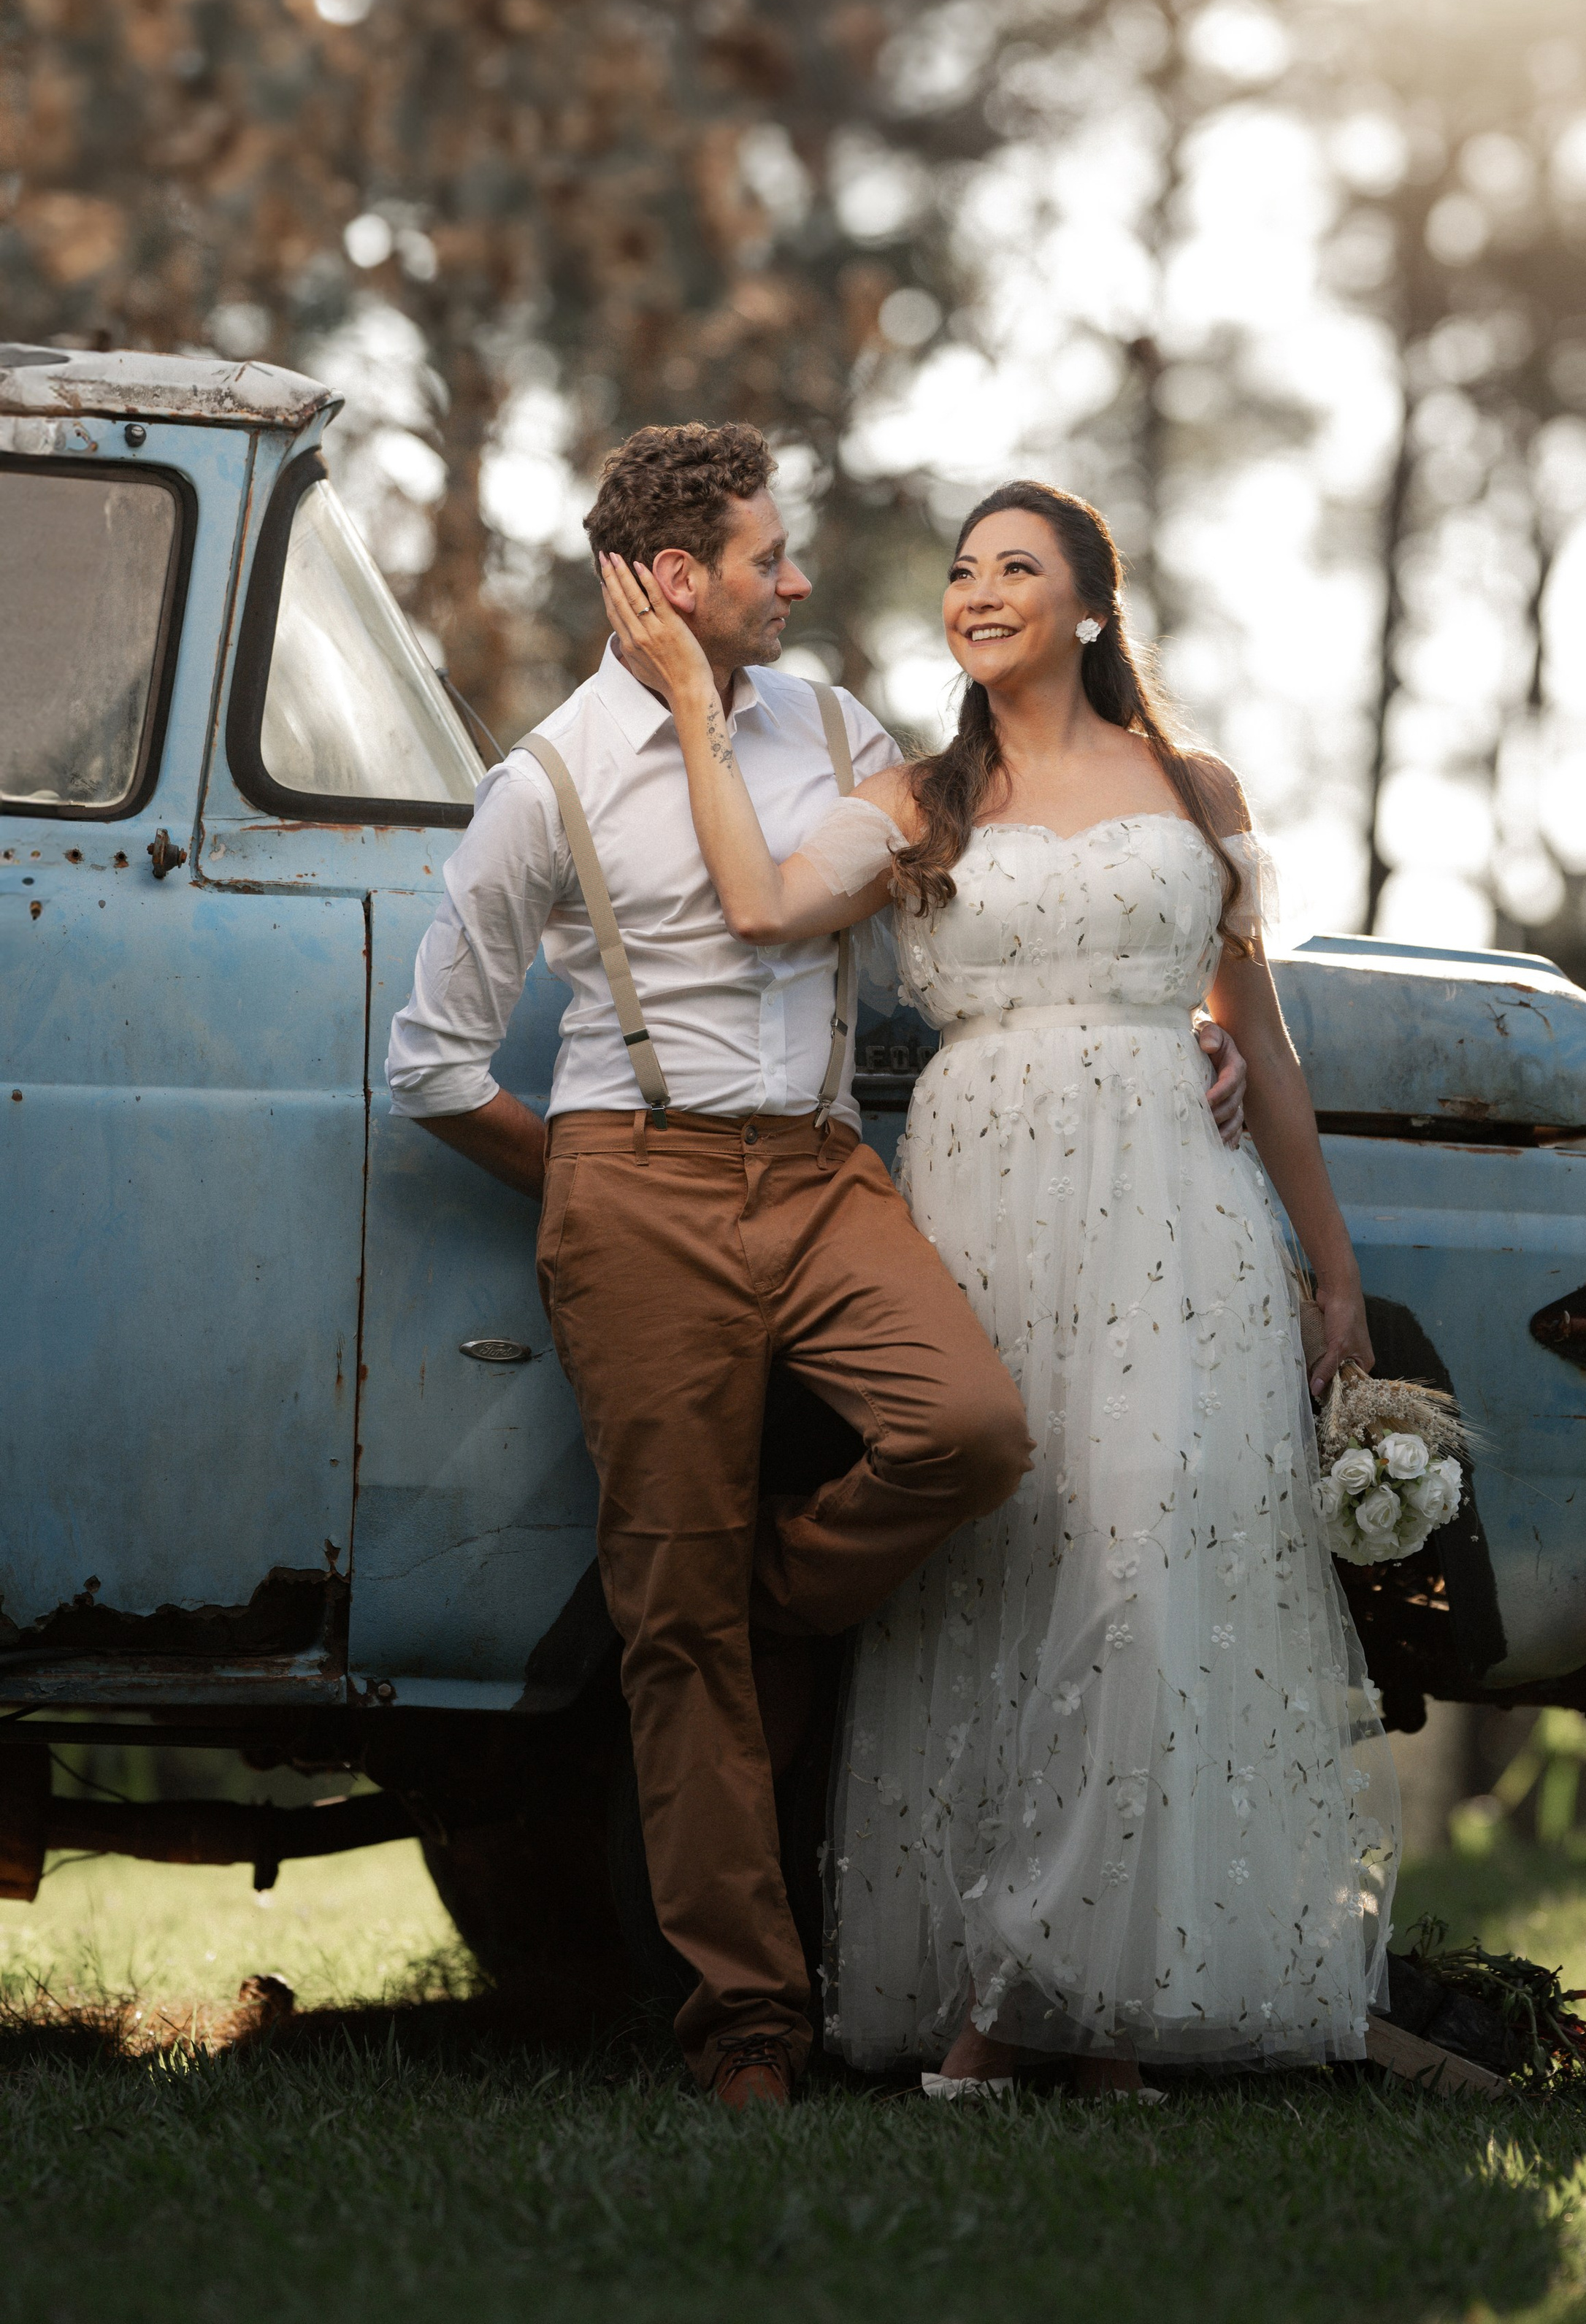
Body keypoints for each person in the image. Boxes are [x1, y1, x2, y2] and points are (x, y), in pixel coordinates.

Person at [384, 425, 1251, 2109]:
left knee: (968, 1434)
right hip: (637, 1186)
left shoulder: (844, 730)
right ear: (672, 583)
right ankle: (748, 2032)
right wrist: (596, 1186)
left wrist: (1186, 1032)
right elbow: (429, 1061)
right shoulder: (543, 782)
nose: (800, 581)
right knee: (667, 1635)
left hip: (824, 1171)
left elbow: (1000, 894)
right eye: (768, 558)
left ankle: (767, 1604)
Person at [597, 474, 1398, 2100]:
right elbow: (758, 904)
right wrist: (691, 701)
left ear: (1089, 608)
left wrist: (1334, 1273)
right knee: (1009, 1583)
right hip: (987, 1201)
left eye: (1013, 568)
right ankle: (1047, 2008)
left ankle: (1053, 1998)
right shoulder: (917, 800)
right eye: (961, 571)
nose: (974, 592)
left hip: (1178, 1215)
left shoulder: (1193, 786)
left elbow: (1264, 1044)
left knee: (1147, 1560)